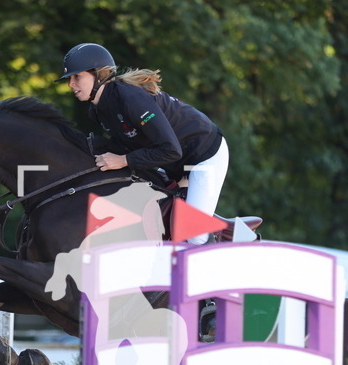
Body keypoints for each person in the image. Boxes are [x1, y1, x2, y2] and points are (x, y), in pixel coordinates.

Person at [56, 42, 231, 244]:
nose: (71, 84)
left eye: (77, 77)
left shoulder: (129, 98)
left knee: (194, 234)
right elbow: (127, 143)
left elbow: (169, 150)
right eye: (70, 78)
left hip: (204, 156)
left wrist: (124, 160)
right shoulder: (97, 111)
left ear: (99, 75)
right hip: (175, 164)